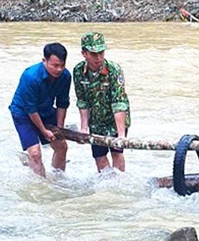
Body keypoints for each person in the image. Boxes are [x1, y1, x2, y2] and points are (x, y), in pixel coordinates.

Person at [9, 43, 71, 177]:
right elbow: (30, 109)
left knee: (61, 146)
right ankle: (41, 185)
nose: (59, 69)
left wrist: (59, 128)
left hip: (46, 110)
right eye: (55, 65)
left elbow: (62, 103)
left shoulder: (65, 76)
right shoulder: (30, 77)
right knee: (35, 153)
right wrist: (43, 131)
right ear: (44, 61)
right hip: (23, 112)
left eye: (62, 65)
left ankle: (57, 179)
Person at [73, 32, 131, 172]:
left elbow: (119, 103)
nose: (98, 57)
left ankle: (118, 184)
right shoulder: (79, 71)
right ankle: (106, 188)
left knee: (117, 153)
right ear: (84, 54)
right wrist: (83, 129)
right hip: (96, 122)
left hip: (115, 120)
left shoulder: (113, 70)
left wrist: (121, 135)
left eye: (101, 52)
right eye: (93, 54)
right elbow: (82, 102)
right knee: (99, 157)